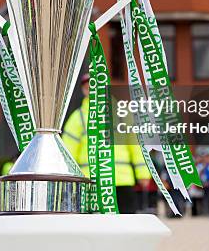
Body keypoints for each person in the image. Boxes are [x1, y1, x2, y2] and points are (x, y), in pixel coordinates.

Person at [63, 74, 150, 214]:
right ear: (84, 91)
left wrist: (143, 174)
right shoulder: (77, 118)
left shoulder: (123, 113)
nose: (92, 90)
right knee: (96, 227)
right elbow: (67, 152)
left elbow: (136, 146)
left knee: (126, 226)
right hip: (92, 182)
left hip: (121, 181)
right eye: (87, 87)